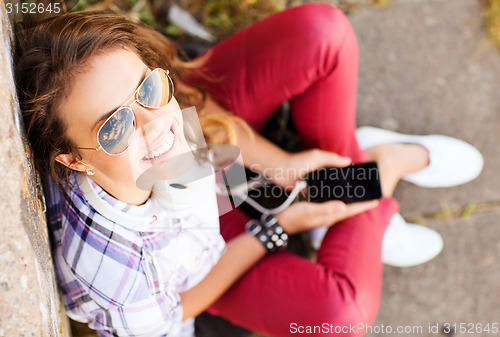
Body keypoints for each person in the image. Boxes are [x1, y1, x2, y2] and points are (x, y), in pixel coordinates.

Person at [14, 3, 483, 337]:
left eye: (149, 89)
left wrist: (284, 167)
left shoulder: (152, 126)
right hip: (205, 268)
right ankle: (383, 169)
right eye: (114, 127)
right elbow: (179, 309)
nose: (155, 124)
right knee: (341, 319)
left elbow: (196, 121)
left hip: (207, 175)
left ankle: (350, 194)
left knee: (324, 31)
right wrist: (275, 229)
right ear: (72, 160)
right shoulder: (116, 277)